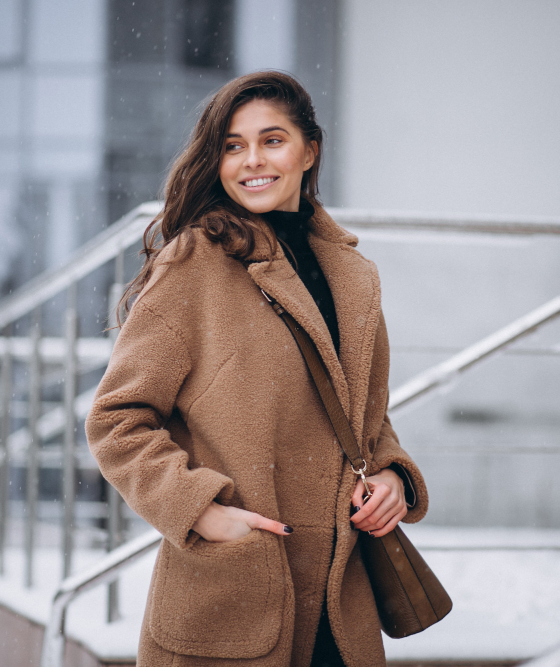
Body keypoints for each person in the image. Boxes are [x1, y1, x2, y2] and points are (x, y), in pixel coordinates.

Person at [86, 71, 429, 667]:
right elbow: (117, 420)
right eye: (232, 146)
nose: (252, 161)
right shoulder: (194, 263)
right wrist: (202, 512)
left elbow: (363, 414)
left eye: (272, 140)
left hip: (341, 599)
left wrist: (394, 477)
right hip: (237, 594)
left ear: (309, 150)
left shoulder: (353, 277)